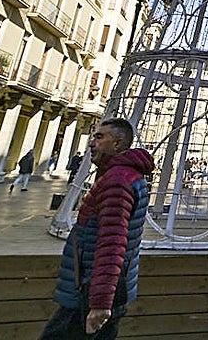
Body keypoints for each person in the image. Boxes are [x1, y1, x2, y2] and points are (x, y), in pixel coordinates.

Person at [41, 117, 153, 339]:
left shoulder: (117, 181)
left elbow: (112, 243)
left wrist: (100, 302)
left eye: (100, 137)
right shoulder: (124, 176)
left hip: (91, 294)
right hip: (103, 290)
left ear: (118, 143)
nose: (92, 143)